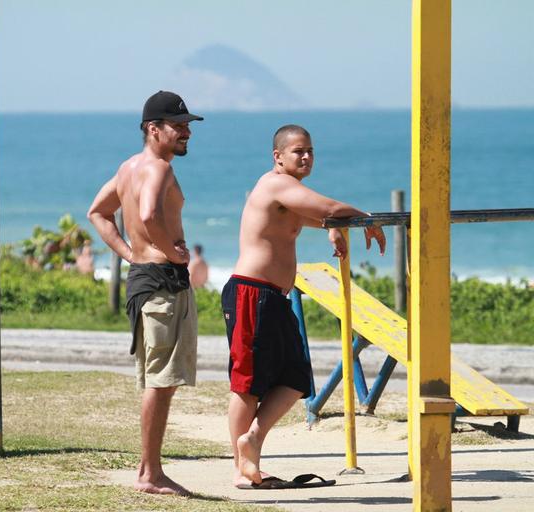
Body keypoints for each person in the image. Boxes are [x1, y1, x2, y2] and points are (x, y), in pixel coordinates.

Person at [222, 124, 386, 488]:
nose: (307, 157)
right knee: (247, 386)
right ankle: (241, 468)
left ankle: (252, 441)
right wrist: (364, 220)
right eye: (299, 151)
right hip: (251, 292)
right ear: (278, 157)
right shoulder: (275, 184)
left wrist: (333, 227)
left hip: (273, 297)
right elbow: (329, 207)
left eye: (310, 150)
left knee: (296, 380)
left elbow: (318, 216)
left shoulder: (290, 194)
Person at [87, 90, 203, 496]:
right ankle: (150, 474)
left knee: (158, 379)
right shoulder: (158, 169)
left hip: (144, 278)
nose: (187, 131)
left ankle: (148, 469)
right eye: (179, 125)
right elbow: (151, 213)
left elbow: (98, 213)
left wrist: (129, 253)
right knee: (161, 380)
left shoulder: (128, 168)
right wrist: (170, 251)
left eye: (188, 125)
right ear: (154, 129)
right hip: (162, 281)